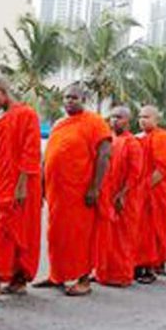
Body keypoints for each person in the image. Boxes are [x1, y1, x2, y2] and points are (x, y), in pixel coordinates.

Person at [0, 76, 42, 306]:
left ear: (3, 92)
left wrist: (21, 186)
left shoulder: (26, 114)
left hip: (24, 185)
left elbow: (30, 152)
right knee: (13, 232)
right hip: (4, 184)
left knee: (10, 233)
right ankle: (18, 279)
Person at [37, 83, 111, 297]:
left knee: (80, 237)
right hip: (57, 192)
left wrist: (95, 188)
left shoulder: (95, 123)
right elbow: (48, 155)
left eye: (74, 98)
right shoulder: (60, 123)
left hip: (80, 192)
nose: (69, 101)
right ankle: (57, 275)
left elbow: (104, 155)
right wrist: (42, 183)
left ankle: (84, 279)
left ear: (84, 100)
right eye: (67, 98)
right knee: (56, 235)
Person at [95, 106, 143, 287]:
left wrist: (122, 194)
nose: (115, 120)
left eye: (120, 117)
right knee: (105, 236)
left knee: (123, 237)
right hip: (106, 195)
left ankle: (122, 275)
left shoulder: (133, 143)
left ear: (128, 121)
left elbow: (135, 174)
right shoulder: (108, 140)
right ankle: (103, 273)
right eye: (113, 117)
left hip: (124, 198)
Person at [137, 106, 166, 281]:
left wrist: (146, 187)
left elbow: (162, 169)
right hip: (142, 193)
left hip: (156, 194)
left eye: (146, 117)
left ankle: (151, 268)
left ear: (156, 119)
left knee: (154, 231)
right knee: (140, 231)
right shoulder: (141, 138)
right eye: (140, 117)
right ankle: (138, 265)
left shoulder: (162, 138)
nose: (142, 120)